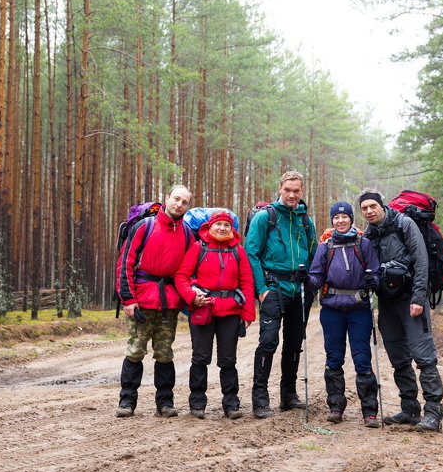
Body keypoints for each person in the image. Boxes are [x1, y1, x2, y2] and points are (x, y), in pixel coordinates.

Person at [358, 188, 443, 432]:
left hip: (411, 300)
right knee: (399, 358)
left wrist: (419, 298)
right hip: (387, 302)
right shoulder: (369, 234)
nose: (369, 211)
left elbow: (421, 261)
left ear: (382, 206)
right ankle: (410, 409)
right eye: (364, 208)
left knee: (424, 356)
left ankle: (434, 412)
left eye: (372, 206)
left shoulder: (404, 224)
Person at [115, 185, 194, 418]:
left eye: (184, 202)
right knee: (135, 350)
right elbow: (125, 263)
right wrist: (128, 299)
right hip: (141, 299)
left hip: (169, 302)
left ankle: (165, 403)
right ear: (167, 198)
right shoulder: (144, 226)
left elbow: (189, 270)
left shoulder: (188, 233)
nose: (179, 205)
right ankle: (127, 402)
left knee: (164, 353)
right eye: (176, 199)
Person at [245, 170, 317, 419]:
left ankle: (289, 395)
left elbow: (314, 254)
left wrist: (312, 285)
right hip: (273, 287)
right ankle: (260, 399)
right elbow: (251, 254)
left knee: (294, 344)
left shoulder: (306, 221)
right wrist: (261, 290)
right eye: (287, 189)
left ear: (302, 191)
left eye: (296, 190)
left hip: (300, 290)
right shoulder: (266, 217)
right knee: (268, 342)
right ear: (280, 188)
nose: (291, 194)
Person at [175, 210, 256, 420]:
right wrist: (191, 297)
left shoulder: (238, 251)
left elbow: (247, 283)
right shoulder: (197, 247)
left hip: (230, 311)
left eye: (226, 225)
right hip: (203, 308)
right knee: (200, 358)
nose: (222, 228)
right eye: (218, 224)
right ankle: (197, 404)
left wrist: (248, 313)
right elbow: (181, 276)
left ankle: (231, 404)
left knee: (228, 360)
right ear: (209, 227)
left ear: (232, 229)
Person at [306, 202, 381, 427]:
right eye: (336, 217)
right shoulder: (325, 247)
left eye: (344, 217)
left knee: (362, 358)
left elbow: (376, 272)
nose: (340, 221)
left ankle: (370, 412)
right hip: (331, 309)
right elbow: (317, 279)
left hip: (359, 308)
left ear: (351, 219)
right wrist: (306, 279)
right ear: (332, 221)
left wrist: (373, 281)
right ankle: (336, 407)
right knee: (334, 358)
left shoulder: (364, 243)